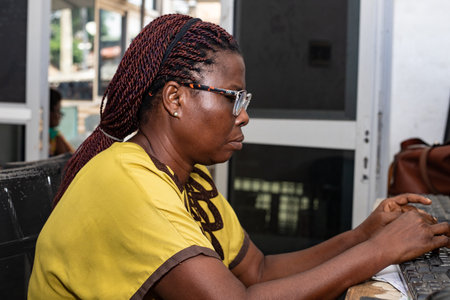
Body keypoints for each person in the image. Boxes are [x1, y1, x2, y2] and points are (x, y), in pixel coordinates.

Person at [28, 14, 450, 299]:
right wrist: (382, 252)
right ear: (175, 98)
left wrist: (365, 235)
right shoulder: (126, 180)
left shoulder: (186, 179)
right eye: (233, 98)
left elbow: (259, 272)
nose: (244, 115)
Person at [49, 88, 75, 156]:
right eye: (58, 111)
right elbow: (72, 157)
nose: (60, 116)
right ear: (49, 112)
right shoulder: (55, 136)